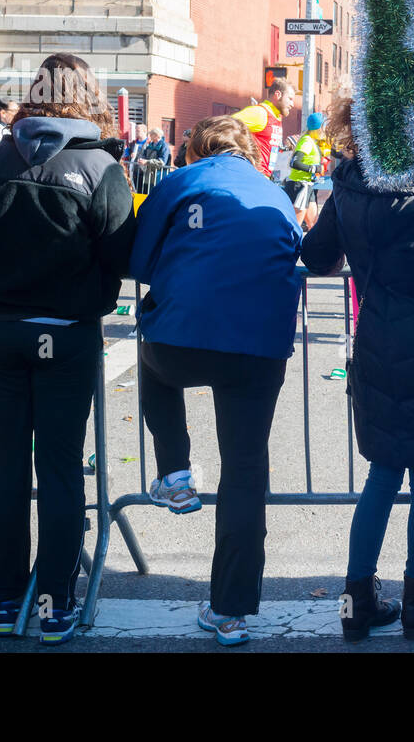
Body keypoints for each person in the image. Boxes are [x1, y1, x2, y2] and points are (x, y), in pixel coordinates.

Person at [0, 53, 135, 646]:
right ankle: (54, 603)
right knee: (59, 468)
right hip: (66, 330)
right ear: (87, 97)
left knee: (1, 469)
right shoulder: (101, 166)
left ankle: (6, 600)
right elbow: (120, 255)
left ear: (34, 93)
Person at [128, 115, 303, 646]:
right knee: (246, 472)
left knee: (152, 359)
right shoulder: (276, 194)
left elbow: (139, 261)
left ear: (194, 150)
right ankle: (230, 611)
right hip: (257, 346)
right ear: (249, 152)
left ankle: (175, 471)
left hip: (181, 339)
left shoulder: (183, 181)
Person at [301, 96, 414, 642]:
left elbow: (316, 254)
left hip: (374, 334)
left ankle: (356, 599)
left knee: (381, 476)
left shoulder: (347, 187)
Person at [235, 80, 296, 179]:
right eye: (290, 99)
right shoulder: (260, 113)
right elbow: (224, 125)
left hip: (265, 178)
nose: (292, 104)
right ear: (278, 95)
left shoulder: (276, 116)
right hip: (253, 177)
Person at [286, 112, 326, 229]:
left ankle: (313, 247)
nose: (325, 130)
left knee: (314, 225)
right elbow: (294, 163)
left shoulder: (312, 141)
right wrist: (315, 168)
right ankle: (292, 247)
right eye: (324, 127)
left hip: (308, 186)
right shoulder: (307, 141)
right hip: (299, 186)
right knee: (295, 227)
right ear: (318, 127)